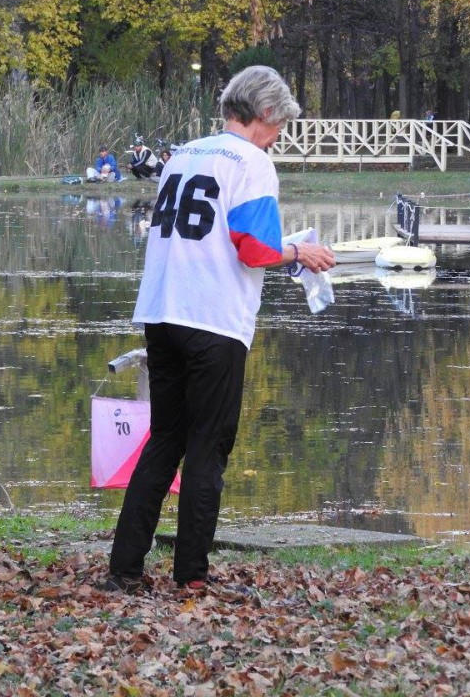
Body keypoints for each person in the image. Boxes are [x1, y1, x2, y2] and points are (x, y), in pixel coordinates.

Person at [100, 65, 336, 595]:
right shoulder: (253, 162)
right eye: (280, 126)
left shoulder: (183, 154)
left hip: (161, 311)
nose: (278, 137)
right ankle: (192, 577)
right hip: (213, 318)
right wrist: (300, 252)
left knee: (164, 440)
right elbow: (254, 250)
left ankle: (125, 569)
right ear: (265, 113)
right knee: (208, 447)